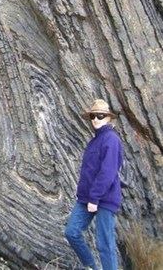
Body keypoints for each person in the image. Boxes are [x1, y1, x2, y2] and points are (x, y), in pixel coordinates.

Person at [64, 99, 124, 270]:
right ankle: (91, 267)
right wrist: (89, 198)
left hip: (103, 199)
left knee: (105, 244)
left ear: (108, 118)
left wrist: (94, 198)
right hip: (87, 198)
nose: (96, 119)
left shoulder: (111, 139)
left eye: (100, 116)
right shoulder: (95, 140)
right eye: (93, 116)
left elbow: (108, 172)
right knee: (72, 232)